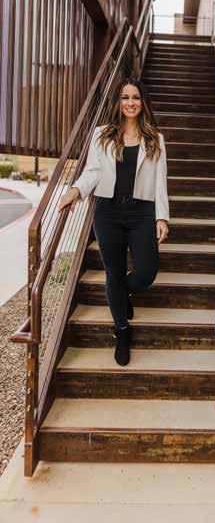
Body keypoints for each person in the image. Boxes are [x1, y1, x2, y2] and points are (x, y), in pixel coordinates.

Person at [58, 77, 169, 366]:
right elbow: (93, 172)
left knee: (146, 273)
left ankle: (121, 294)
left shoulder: (154, 139)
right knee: (114, 273)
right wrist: (74, 191)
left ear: (143, 102)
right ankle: (121, 330)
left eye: (135, 97)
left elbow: (160, 181)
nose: (130, 103)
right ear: (118, 102)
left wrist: (161, 217)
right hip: (107, 211)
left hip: (142, 212)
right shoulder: (102, 134)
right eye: (125, 97)